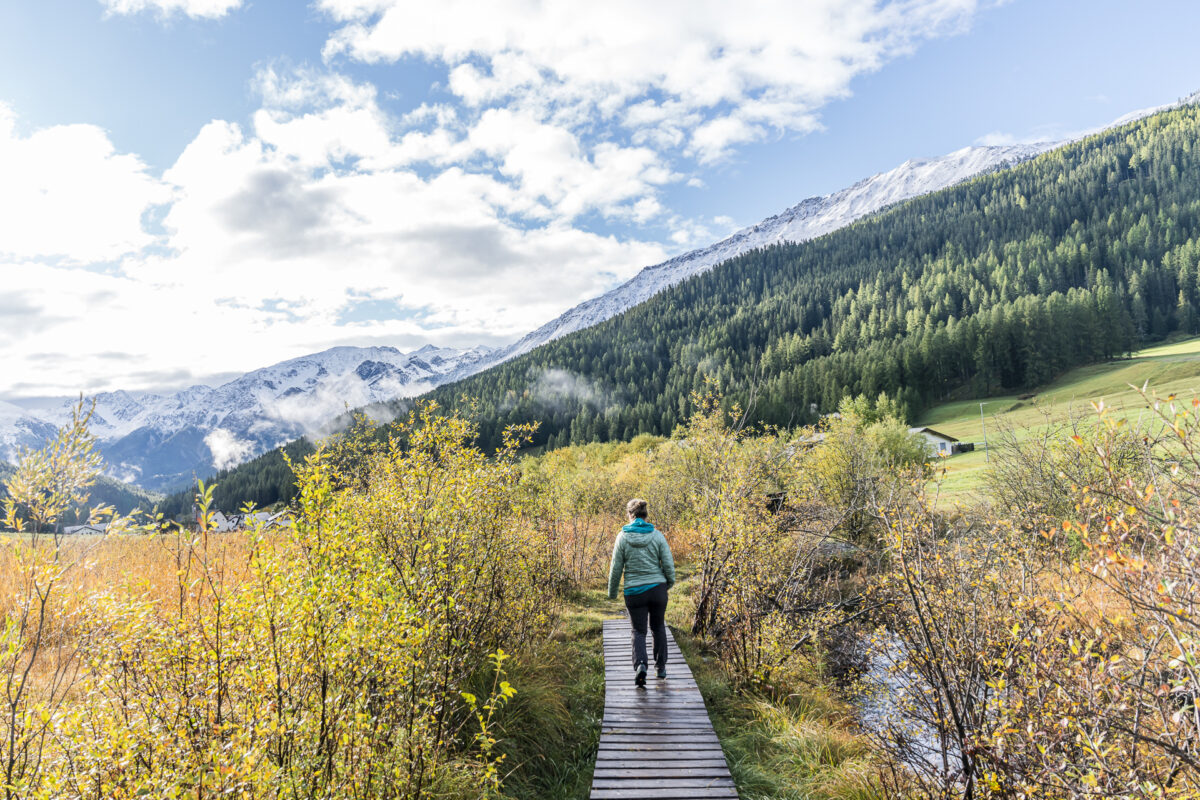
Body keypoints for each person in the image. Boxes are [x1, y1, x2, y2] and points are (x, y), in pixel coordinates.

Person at [607, 498, 675, 687]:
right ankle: (660, 668)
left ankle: (641, 666)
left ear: (630, 515)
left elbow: (616, 568)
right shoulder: (657, 536)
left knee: (638, 631)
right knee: (658, 627)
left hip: (634, 591)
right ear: (645, 515)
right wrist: (668, 583)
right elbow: (668, 564)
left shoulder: (622, 537)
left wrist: (612, 592)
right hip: (657, 589)